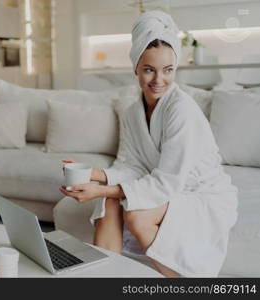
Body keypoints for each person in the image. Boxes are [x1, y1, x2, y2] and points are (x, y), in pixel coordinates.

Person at [59, 10, 238, 277]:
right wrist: (93, 175)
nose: (158, 80)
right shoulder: (132, 112)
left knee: (136, 215)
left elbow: (167, 183)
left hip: (199, 194)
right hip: (167, 187)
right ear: (135, 69)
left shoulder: (182, 111)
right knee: (109, 201)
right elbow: (132, 166)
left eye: (168, 70)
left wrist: (101, 190)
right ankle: (101, 280)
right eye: (149, 70)